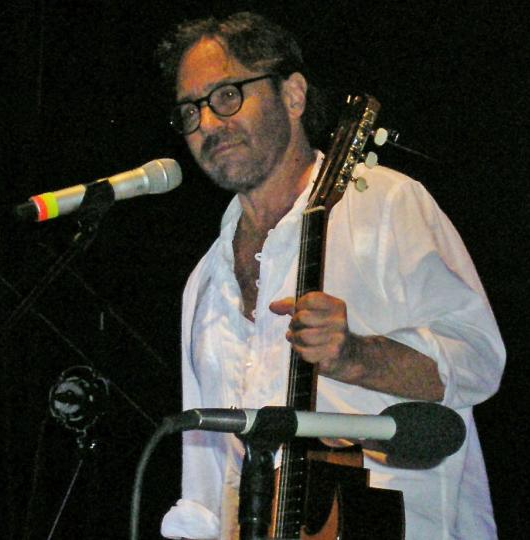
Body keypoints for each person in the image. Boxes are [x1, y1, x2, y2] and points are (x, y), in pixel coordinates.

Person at [156, 11, 505, 540]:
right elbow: (207, 472)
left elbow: (478, 361)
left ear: (292, 95)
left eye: (227, 95)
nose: (207, 122)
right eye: (190, 110)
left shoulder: (384, 205)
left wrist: (355, 356)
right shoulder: (205, 282)